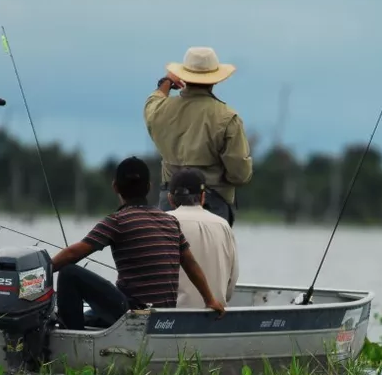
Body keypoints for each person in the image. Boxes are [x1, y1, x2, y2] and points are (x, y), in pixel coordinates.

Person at [48, 156, 225, 330]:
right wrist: (210, 299)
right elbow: (191, 264)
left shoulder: (117, 221)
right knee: (91, 317)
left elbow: (73, 254)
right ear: (149, 187)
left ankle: (73, 339)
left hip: (133, 314)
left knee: (69, 273)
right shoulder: (170, 221)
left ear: (115, 187)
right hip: (164, 317)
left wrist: (42, 271)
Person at [143, 46, 253, 227]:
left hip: (169, 205)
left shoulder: (160, 111)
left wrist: (166, 82)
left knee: (168, 255)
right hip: (212, 206)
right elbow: (240, 175)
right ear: (215, 80)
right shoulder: (227, 117)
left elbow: (152, 103)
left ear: (184, 75)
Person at [166, 168, 239, 308]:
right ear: (203, 197)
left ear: (170, 198)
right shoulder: (224, 225)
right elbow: (230, 286)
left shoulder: (163, 222)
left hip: (170, 319)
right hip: (215, 316)